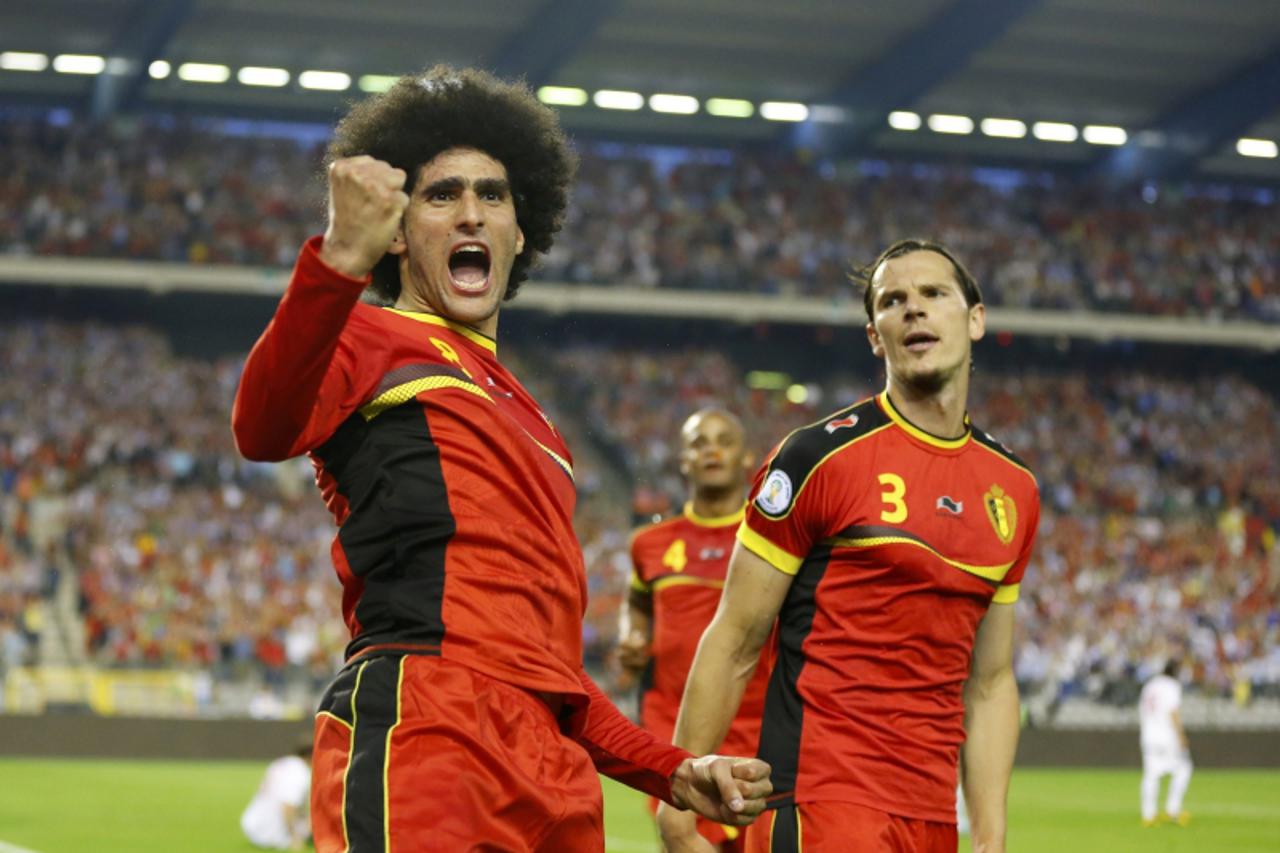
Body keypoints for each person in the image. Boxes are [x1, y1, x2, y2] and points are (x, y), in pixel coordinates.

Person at [231, 66, 769, 852]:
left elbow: (549, 670)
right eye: (441, 194)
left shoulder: (542, 424)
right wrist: (340, 257)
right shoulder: (365, 336)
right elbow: (260, 426)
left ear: (523, 230)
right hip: (427, 724)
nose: (472, 211)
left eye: (494, 194)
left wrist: (672, 770)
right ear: (401, 229)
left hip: (555, 770)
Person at [658, 239, 1041, 853]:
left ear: (975, 320)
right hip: (822, 801)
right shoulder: (818, 457)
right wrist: (676, 805)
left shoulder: (1014, 489)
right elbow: (735, 637)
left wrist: (991, 834)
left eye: (934, 294)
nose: (914, 309)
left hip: (933, 815)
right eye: (894, 300)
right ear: (874, 335)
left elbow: (991, 681)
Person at [619, 408, 774, 852]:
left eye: (723, 440)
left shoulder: (771, 536)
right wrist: (634, 633)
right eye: (698, 442)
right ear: (684, 461)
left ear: (747, 458)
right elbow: (637, 602)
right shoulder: (649, 544)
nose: (711, 449)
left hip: (758, 732)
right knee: (680, 837)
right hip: (674, 731)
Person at [1139, 660, 1192, 827]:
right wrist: (1181, 735)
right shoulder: (1171, 686)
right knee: (1184, 768)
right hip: (1167, 736)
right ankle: (1172, 810)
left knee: (1151, 774)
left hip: (1148, 735)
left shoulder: (1150, 685)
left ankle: (1148, 815)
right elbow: (1173, 711)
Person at [241, 739, 312, 851]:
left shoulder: (282, 763)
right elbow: (288, 806)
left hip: (251, 825)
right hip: (271, 833)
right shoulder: (300, 773)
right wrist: (295, 839)